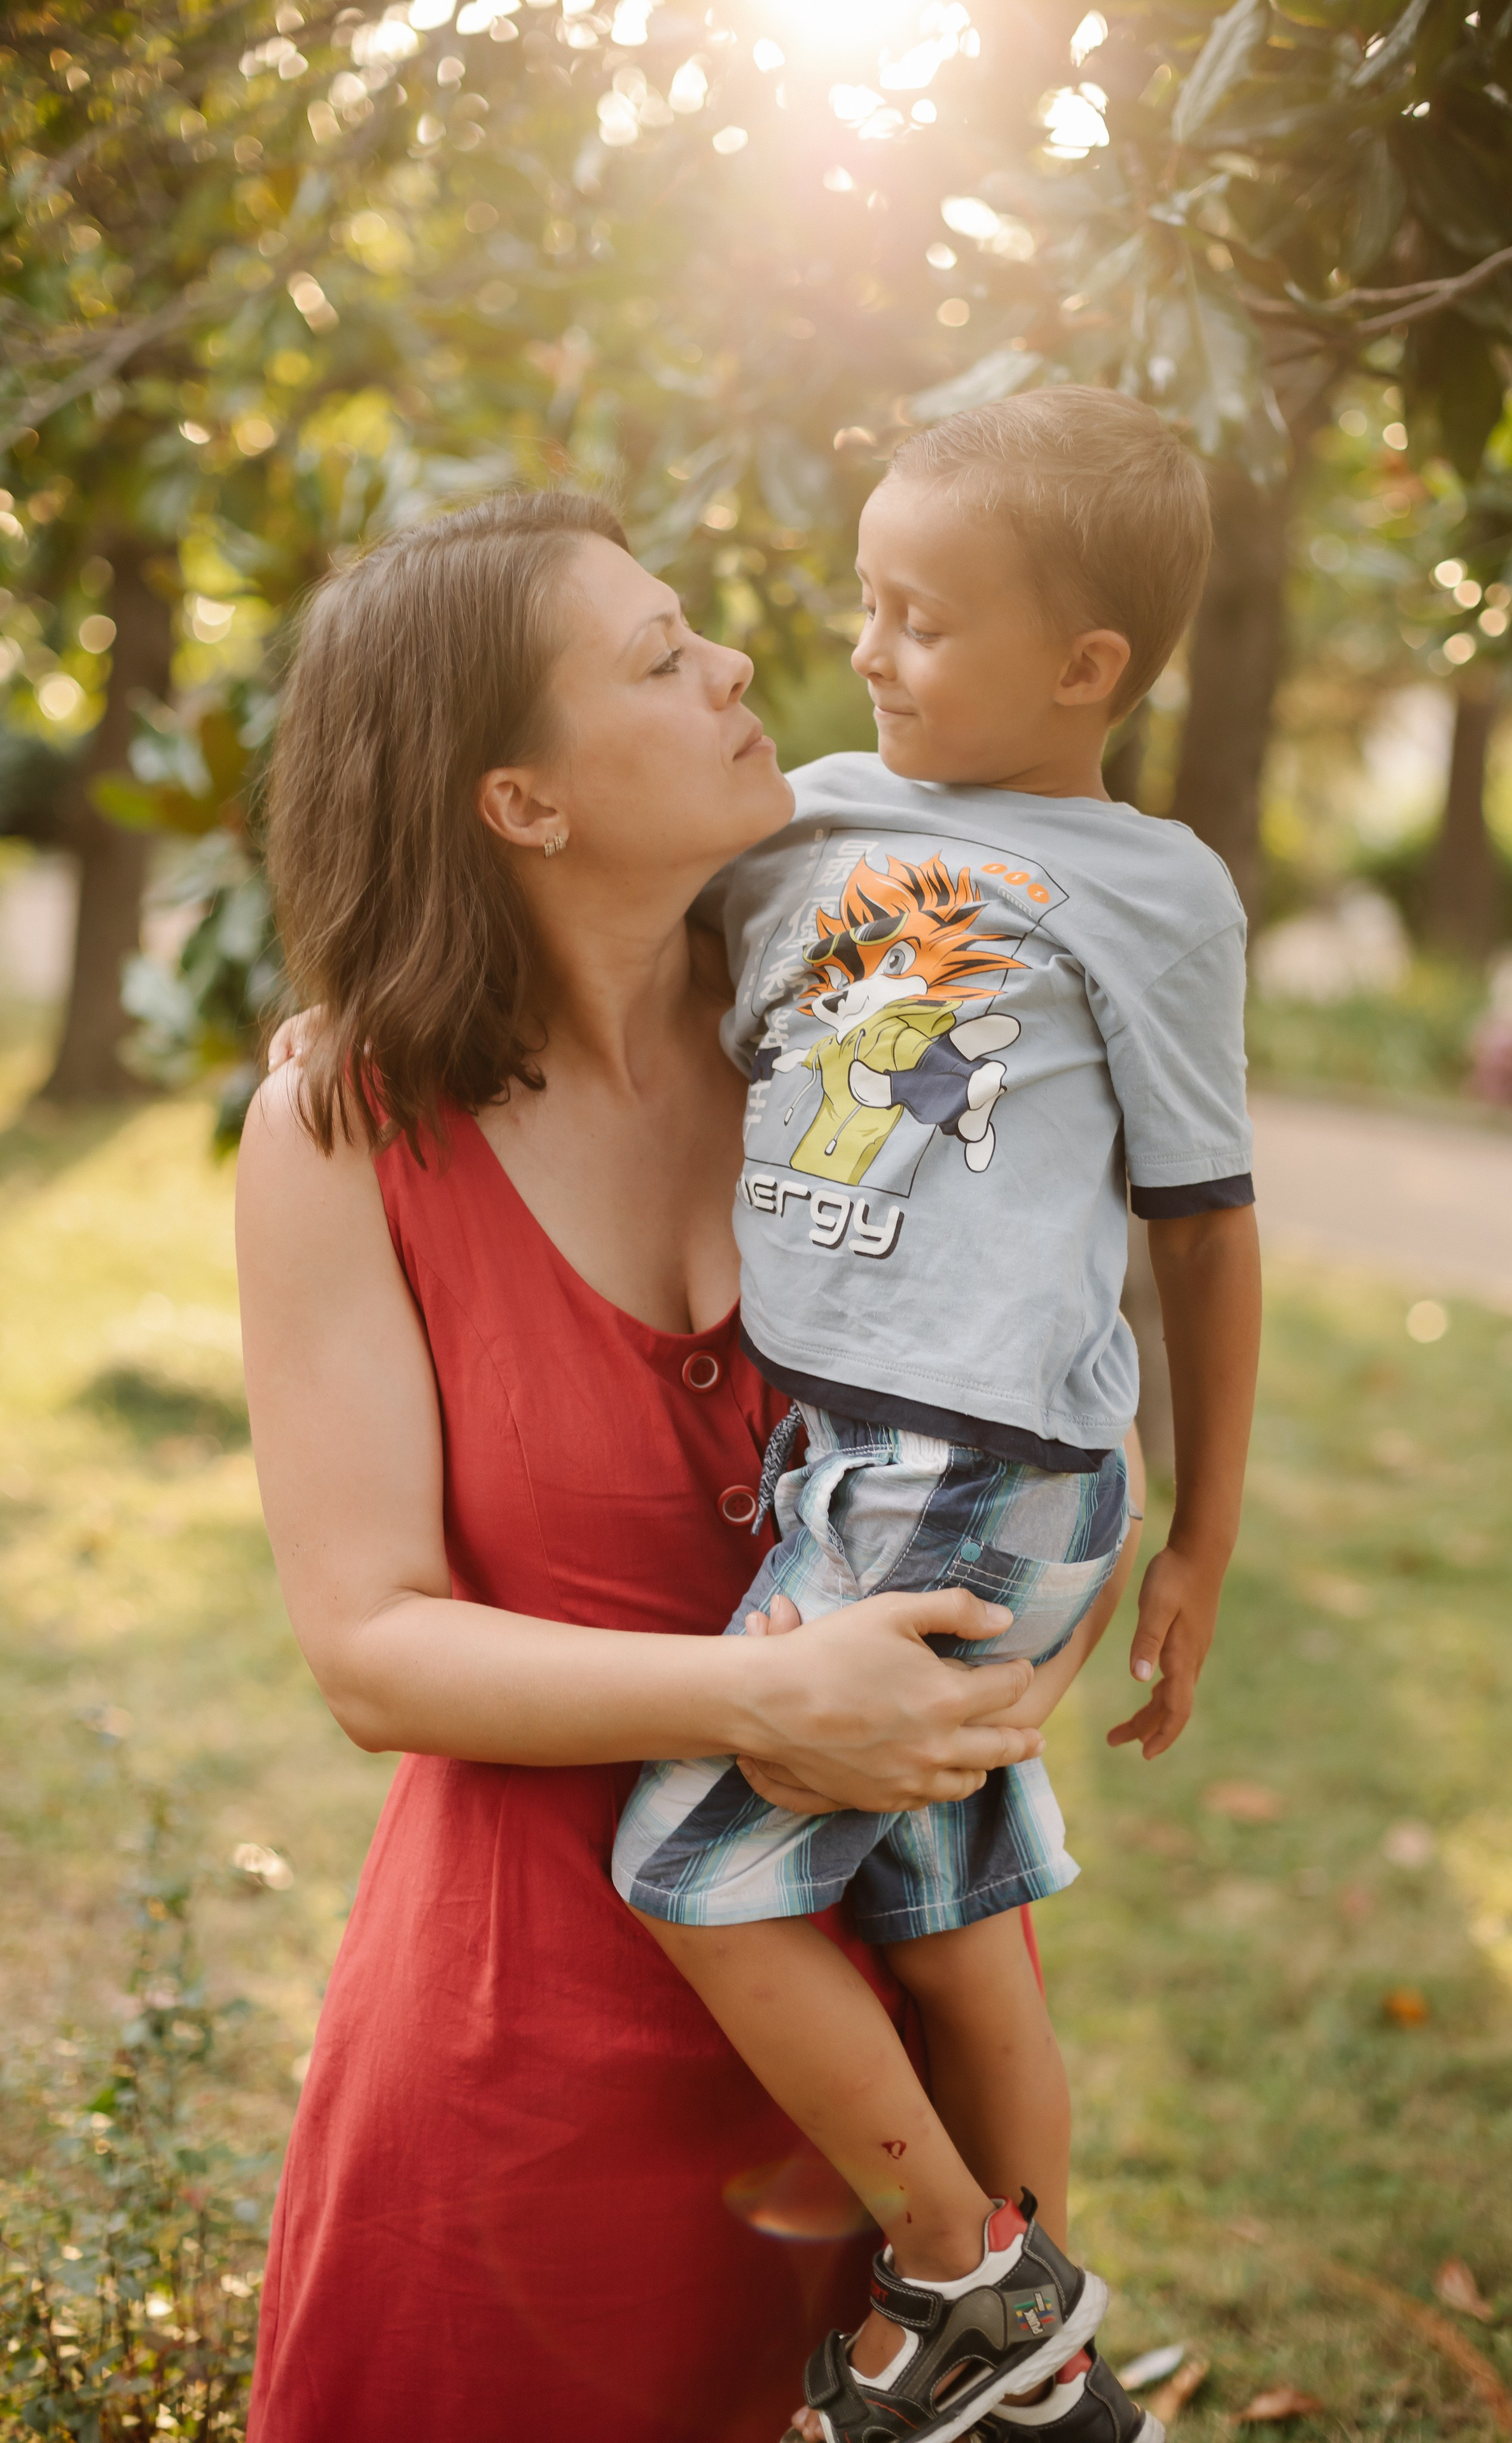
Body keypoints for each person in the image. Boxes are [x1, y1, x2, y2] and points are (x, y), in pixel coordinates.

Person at [235, 489, 1138, 2443]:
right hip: (520, 2059)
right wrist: (769, 1694)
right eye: (657, 659)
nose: (736, 668)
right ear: (521, 804)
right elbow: (370, 1648)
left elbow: (1067, 1391)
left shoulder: (874, 1025)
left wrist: (1027, 1663)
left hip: (894, 2036)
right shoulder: (342, 1118)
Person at [611, 388, 1262, 2443]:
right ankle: (1043, 2378)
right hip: (859, 1459)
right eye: (866, 602)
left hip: (974, 1468)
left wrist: (1207, 1535)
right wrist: (363, 1004)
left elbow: (1207, 1231)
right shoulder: (796, 816)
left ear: (1089, 671)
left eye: (926, 618)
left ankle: (964, 2280)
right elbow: (587, 935)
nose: (869, 649)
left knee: (691, 1864)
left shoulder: (1151, 894)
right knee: (959, 1938)